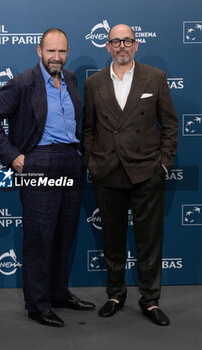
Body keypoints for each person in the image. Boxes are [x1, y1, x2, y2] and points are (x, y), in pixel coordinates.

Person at [0, 28, 95, 327]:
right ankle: (37, 304)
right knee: (40, 238)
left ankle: (59, 293)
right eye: (50, 51)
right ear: (39, 51)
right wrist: (13, 156)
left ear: (67, 52)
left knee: (64, 234)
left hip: (70, 162)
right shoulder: (23, 82)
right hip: (39, 163)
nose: (56, 57)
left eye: (61, 52)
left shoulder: (70, 78)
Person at [82, 24, 178, 326]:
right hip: (107, 172)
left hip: (146, 171)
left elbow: (170, 126)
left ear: (136, 45)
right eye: (115, 41)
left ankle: (150, 300)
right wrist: (91, 162)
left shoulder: (155, 77)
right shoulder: (94, 83)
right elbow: (89, 128)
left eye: (127, 41)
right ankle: (115, 294)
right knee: (112, 239)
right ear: (107, 47)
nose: (121, 46)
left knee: (149, 241)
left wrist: (163, 164)